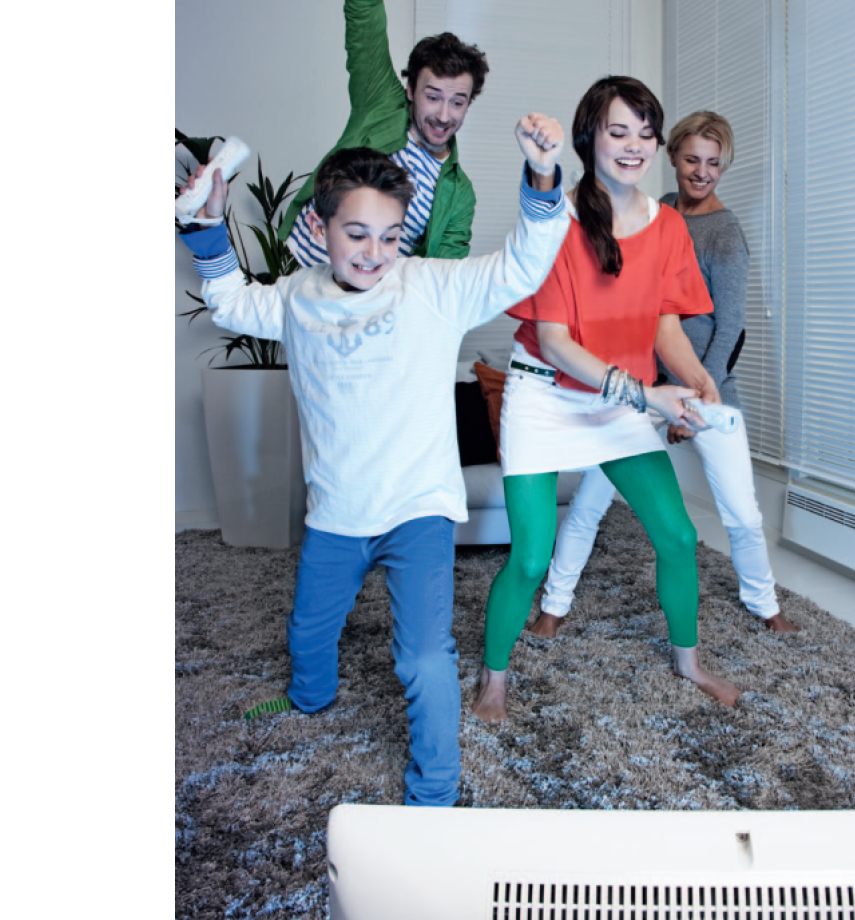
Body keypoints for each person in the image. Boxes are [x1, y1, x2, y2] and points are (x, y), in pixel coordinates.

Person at [178, 114, 568, 806]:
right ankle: (309, 698)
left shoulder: (432, 287)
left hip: (418, 509)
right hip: (338, 511)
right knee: (308, 631)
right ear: (320, 226)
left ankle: (435, 794)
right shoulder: (298, 296)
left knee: (424, 657)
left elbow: (521, 267)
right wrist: (205, 224)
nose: (374, 252)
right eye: (356, 233)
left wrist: (542, 177)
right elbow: (231, 304)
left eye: (390, 236)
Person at [471, 77, 742, 725]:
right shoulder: (557, 220)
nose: (634, 146)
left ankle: (689, 662)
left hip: (617, 401)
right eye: (619, 132)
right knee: (530, 557)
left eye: (646, 134)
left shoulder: (668, 225)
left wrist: (699, 381)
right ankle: (493, 677)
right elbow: (557, 344)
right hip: (544, 395)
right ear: (589, 136)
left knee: (678, 535)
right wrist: (649, 395)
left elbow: (665, 329)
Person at [530, 111, 799, 637]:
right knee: (590, 501)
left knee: (742, 513)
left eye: (714, 163)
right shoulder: (658, 213)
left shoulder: (724, 234)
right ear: (671, 156)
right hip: (643, 387)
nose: (702, 172)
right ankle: (554, 604)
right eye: (692, 159)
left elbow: (732, 328)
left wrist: (696, 400)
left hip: (707, 388)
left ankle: (765, 604)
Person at [279, 0, 487, 265]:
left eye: (458, 101)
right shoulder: (380, 102)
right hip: (294, 276)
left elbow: (442, 276)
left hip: (364, 297)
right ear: (410, 89)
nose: (444, 115)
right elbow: (364, 11)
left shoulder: (459, 194)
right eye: (433, 96)